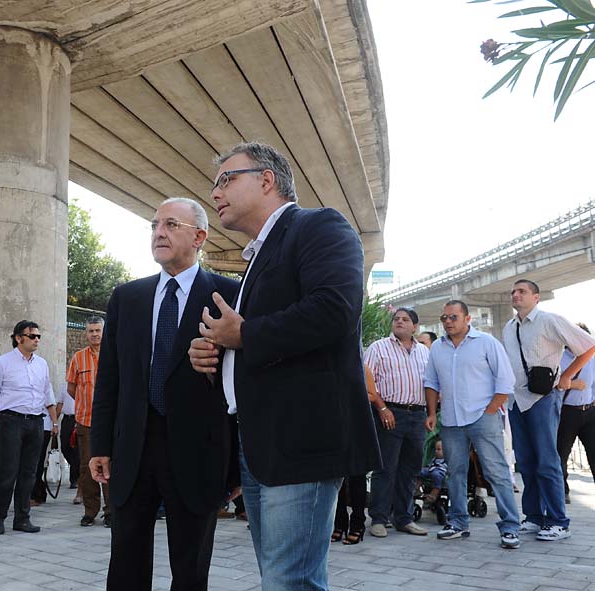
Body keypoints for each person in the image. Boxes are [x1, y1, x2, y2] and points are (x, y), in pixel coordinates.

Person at [189, 141, 380, 590]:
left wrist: (243, 335)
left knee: (289, 581)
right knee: (280, 577)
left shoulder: (319, 226)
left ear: (267, 180)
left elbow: (334, 310)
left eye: (226, 179)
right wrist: (217, 353)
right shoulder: (258, 256)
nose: (215, 193)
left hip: (302, 438)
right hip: (261, 442)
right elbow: (258, 338)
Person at [90, 197, 239, 591]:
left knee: (190, 568)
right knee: (125, 562)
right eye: (155, 225)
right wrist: (100, 445)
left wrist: (237, 466)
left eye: (172, 225)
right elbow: (110, 378)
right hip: (133, 449)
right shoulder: (128, 297)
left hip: (198, 451)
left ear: (199, 237)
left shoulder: (228, 295)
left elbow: (243, 384)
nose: (159, 232)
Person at [502, 279, 595, 540]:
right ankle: (534, 517)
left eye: (522, 291)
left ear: (536, 297)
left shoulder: (549, 320)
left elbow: (588, 346)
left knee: (547, 460)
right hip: (516, 400)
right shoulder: (509, 327)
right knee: (526, 462)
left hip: (543, 399)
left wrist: (566, 376)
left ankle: (557, 522)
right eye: (513, 291)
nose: (516, 295)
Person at [423, 301, 521, 549]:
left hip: (482, 417)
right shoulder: (437, 348)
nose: (448, 322)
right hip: (451, 420)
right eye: (444, 317)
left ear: (468, 319)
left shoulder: (487, 343)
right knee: (454, 473)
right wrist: (432, 413)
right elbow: (431, 382)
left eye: (453, 317)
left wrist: (490, 410)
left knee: (496, 472)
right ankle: (458, 523)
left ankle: (510, 526)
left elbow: (505, 381)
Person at [0, 320, 59, 535]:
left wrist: (53, 421)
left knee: (29, 473)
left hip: (36, 421)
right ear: (19, 338)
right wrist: (5, 415)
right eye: (32, 336)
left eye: (38, 336)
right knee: (8, 471)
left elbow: (47, 392)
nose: (37, 340)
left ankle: (22, 518)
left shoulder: (41, 364)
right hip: (11, 421)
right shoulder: (2, 363)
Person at [364, 307, 430, 538]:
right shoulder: (378, 348)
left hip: (417, 415)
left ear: (415, 326)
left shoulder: (424, 351)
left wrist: (430, 413)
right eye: (396, 319)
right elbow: (367, 382)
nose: (400, 322)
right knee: (385, 468)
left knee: (410, 470)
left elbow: (431, 383)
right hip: (390, 413)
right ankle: (379, 519)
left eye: (405, 319)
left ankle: (404, 518)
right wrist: (382, 408)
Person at [67, 317, 110, 526]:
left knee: (111, 465)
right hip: (86, 421)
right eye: (91, 331)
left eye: (98, 330)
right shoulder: (78, 358)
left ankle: (111, 511)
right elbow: (71, 388)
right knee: (86, 466)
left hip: (110, 422)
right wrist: (86, 403)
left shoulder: (114, 354)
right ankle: (90, 511)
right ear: (86, 333)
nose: (94, 334)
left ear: (104, 331)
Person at [557, 323, 595, 503]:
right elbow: (552, 384)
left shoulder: (591, 357)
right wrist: (571, 384)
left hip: (589, 412)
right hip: (567, 413)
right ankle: (562, 491)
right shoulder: (559, 358)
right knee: (561, 454)